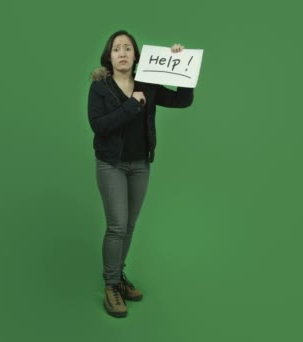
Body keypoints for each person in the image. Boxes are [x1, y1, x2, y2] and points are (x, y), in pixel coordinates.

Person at [87, 30, 194, 318]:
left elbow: (182, 101)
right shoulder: (100, 88)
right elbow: (100, 125)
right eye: (116, 48)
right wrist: (133, 104)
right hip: (111, 164)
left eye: (128, 48)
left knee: (130, 225)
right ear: (109, 57)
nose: (122, 52)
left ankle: (119, 277)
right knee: (117, 227)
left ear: (136, 56)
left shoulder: (148, 83)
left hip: (140, 165)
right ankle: (111, 285)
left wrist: (183, 64)